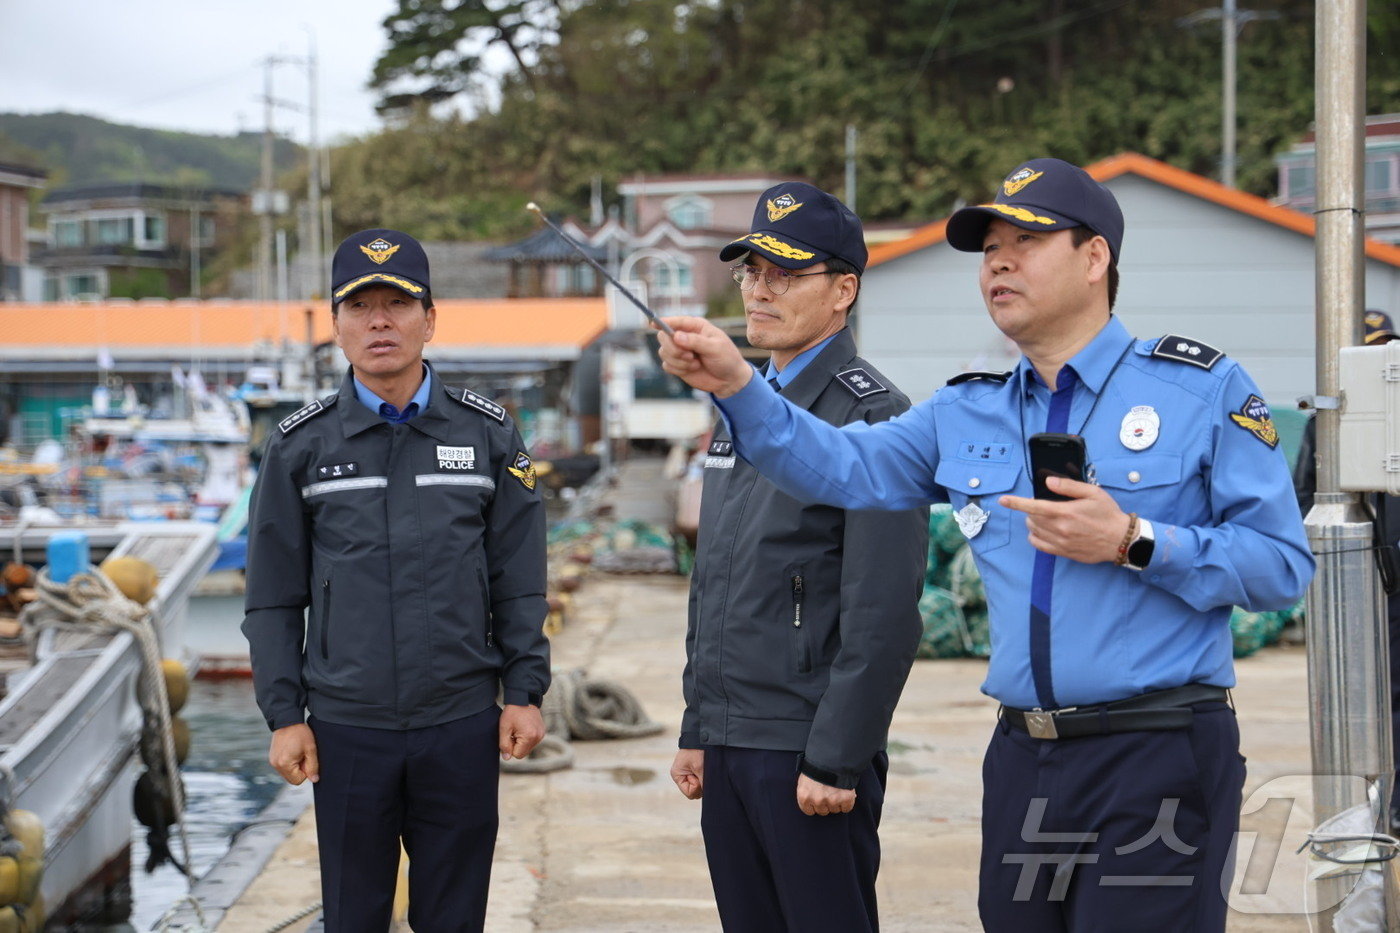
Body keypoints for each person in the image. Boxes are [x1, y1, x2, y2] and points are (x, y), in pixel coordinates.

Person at [655, 158, 1314, 931]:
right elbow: (838, 466)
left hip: (1156, 749)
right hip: (1025, 757)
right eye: (989, 246)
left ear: (1095, 257)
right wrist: (740, 387)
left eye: (1025, 241)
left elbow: (1282, 565)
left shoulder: (1198, 390)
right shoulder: (968, 410)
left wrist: (1134, 540)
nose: (997, 261)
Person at [242, 229, 549, 933]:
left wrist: (525, 692)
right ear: (337, 325)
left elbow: (520, 577)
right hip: (350, 728)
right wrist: (285, 713)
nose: (380, 322)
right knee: (353, 917)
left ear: (430, 318)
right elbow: (272, 597)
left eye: (397, 304)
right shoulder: (301, 446)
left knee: (454, 916)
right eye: (361, 306)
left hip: (462, 722)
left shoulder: (489, 436)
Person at [668, 183, 927, 932]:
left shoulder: (872, 417)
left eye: (785, 272)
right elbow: (714, 578)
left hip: (806, 748)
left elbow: (883, 613)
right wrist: (700, 721)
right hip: (732, 738)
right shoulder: (738, 412)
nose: (759, 289)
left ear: (843, 288)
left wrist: (837, 757)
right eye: (751, 270)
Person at [1294, 308, 1400, 826]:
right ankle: (1366, 809)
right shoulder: (1324, 423)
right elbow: (1303, 495)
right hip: (1352, 579)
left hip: (1392, 575)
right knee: (1353, 700)